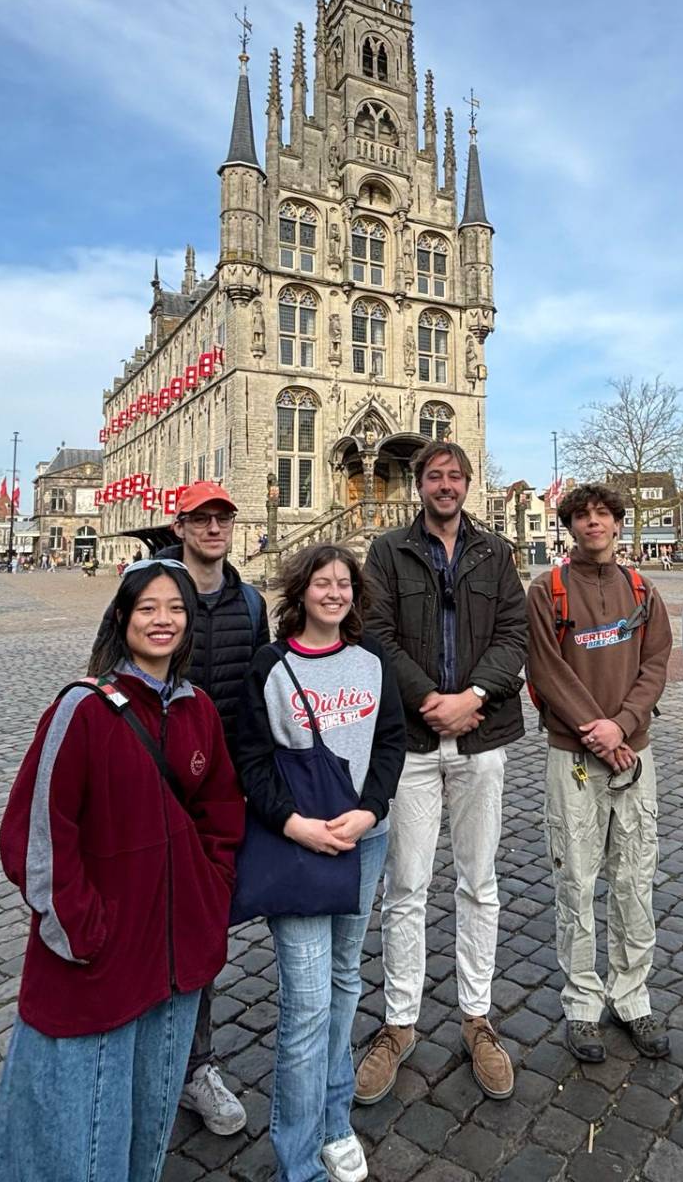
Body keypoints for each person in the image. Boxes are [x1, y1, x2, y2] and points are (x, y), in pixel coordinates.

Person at [0, 559, 243, 1182]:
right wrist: (83, 930)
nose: (163, 620)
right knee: (86, 1129)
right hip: (101, 956)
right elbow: (35, 834)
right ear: (122, 617)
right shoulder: (83, 709)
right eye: (149, 607)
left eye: (175, 609)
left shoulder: (198, 709)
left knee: (149, 1123)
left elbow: (222, 811)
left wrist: (210, 893)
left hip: (179, 955)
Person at [357, 440, 529, 1104]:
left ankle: (477, 1017)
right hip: (414, 738)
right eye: (435, 476)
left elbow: (514, 634)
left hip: (482, 735)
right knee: (406, 885)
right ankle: (399, 1024)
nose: (446, 486)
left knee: (479, 882)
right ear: (419, 485)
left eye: (456, 476)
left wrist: (474, 697)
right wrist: (429, 700)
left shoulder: (497, 552)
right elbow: (376, 634)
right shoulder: (387, 551)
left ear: (467, 483)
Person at [230, 546, 406, 1182]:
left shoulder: (373, 662)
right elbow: (251, 759)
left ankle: (335, 1122)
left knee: (344, 982)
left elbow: (390, 743)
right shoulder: (270, 667)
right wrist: (292, 824)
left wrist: (369, 811)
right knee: (306, 1005)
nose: (334, 593)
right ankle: (298, 1160)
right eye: (322, 583)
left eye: (344, 584)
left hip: (364, 839)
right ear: (300, 592)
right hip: (299, 844)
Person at [525, 482, 673, 1062]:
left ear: (616, 523)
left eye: (603, 515)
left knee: (636, 878)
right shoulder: (548, 590)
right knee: (577, 879)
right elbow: (545, 667)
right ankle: (583, 1003)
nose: (594, 524)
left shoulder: (643, 589)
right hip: (574, 757)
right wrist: (596, 728)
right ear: (570, 525)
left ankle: (633, 995)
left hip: (635, 754)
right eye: (583, 516)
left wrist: (626, 723)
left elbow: (656, 662)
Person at [158, 480, 270, 1136]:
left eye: (222, 518)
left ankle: (195, 1067)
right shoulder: (154, 598)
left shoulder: (251, 602)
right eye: (201, 518)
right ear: (180, 525)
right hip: (156, 789)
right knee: (146, 925)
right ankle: (144, 1054)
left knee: (201, 929)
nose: (213, 528)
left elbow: (259, 696)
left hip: (218, 795)